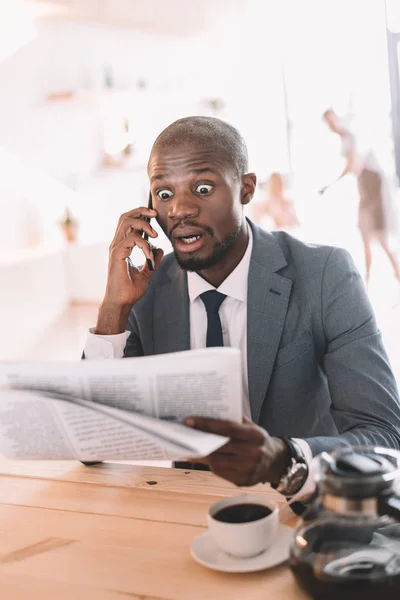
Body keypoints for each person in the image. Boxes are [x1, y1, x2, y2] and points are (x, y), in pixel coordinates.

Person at [84, 116, 400, 501]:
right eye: (164, 193)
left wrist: (285, 460)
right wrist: (112, 311)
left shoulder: (325, 274)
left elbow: (384, 436)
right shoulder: (146, 289)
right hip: (190, 511)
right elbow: (90, 440)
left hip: (299, 506)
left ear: (246, 189)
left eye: (202, 188)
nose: (180, 209)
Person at [320, 108, 400, 285]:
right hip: (365, 188)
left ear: (336, 118)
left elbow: (353, 166)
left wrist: (329, 185)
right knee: (365, 234)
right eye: (328, 124)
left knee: (380, 237)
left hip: (373, 187)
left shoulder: (350, 136)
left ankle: (393, 274)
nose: (331, 126)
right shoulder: (345, 139)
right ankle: (368, 278)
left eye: (331, 121)